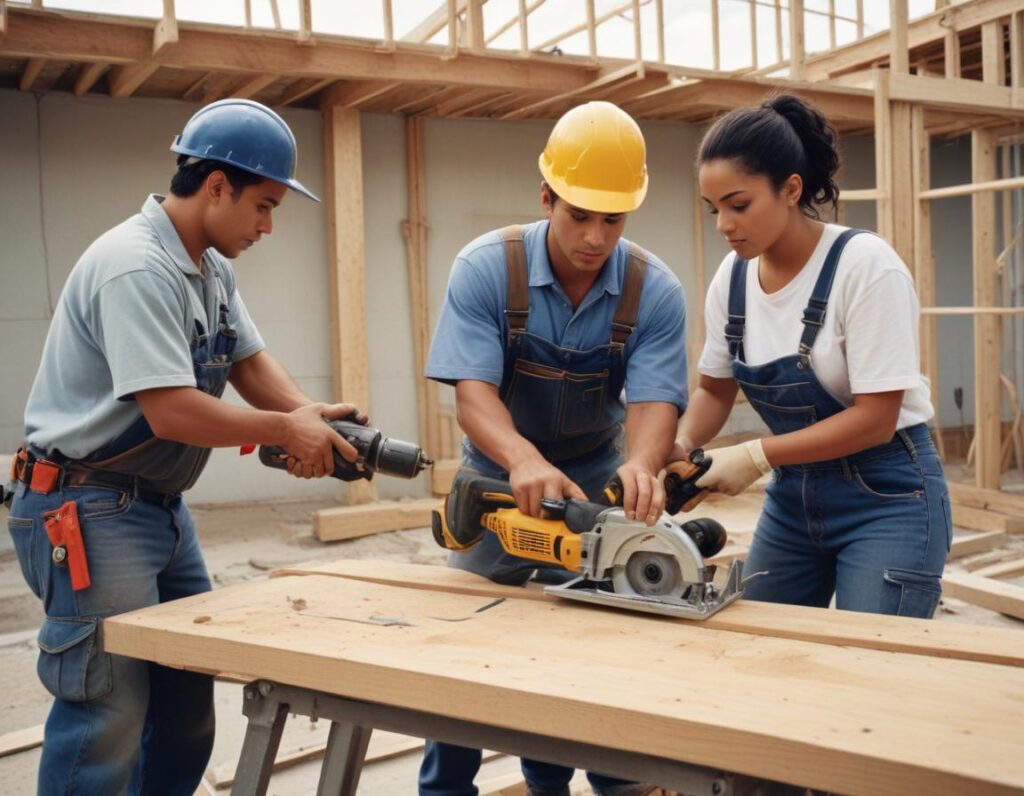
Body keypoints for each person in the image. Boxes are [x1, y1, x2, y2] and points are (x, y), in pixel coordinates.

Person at [4, 99, 366, 795]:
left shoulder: (209, 268)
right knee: (103, 713)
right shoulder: (136, 267)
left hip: (159, 511)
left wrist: (312, 417)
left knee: (185, 707)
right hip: (85, 508)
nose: (267, 226)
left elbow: (247, 363)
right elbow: (169, 409)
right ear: (217, 185)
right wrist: (283, 431)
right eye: (263, 206)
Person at [421, 101, 687, 796]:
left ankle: (598, 784)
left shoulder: (654, 290)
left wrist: (642, 464)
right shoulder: (486, 269)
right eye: (579, 216)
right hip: (498, 477)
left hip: (600, 474)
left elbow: (656, 402)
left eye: (613, 220)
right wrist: (521, 459)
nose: (596, 237)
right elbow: (472, 395)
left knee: (598, 655)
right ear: (545, 196)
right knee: (460, 661)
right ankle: (445, 789)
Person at [671, 93, 950, 619]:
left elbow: (876, 419)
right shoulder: (731, 280)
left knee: (869, 660)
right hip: (795, 496)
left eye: (739, 205)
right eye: (714, 210)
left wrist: (756, 456)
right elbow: (713, 389)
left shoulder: (865, 268)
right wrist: (682, 447)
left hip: (889, 497)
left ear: (790, 188)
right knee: (765, 650)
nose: (723, 225)